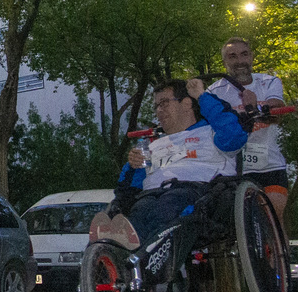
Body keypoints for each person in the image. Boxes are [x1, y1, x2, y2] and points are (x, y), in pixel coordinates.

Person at [99, 78, 247, 258]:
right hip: (152, 195)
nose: (159, 110)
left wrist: (202, 96)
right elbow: (127, 189)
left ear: (186, 104)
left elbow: (234, 135)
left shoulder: (212, 132)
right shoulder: (153, 146)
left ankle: (139, 256)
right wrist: (132, 166)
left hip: (198, 193)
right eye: (156, 106)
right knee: (139, 211)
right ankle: (117, 253)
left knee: (168, 205)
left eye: (164, 103)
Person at [207, 37, 290, 221]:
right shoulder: (214, 91)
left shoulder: (269, 82)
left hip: (269, 164)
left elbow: (276, 110)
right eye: (232, 56)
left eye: (244, 54)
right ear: (225, 62)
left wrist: (257, 108)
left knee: (274, 215)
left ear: (251, 57)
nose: (240, 61)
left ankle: (280, 250)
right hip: (232, 168)